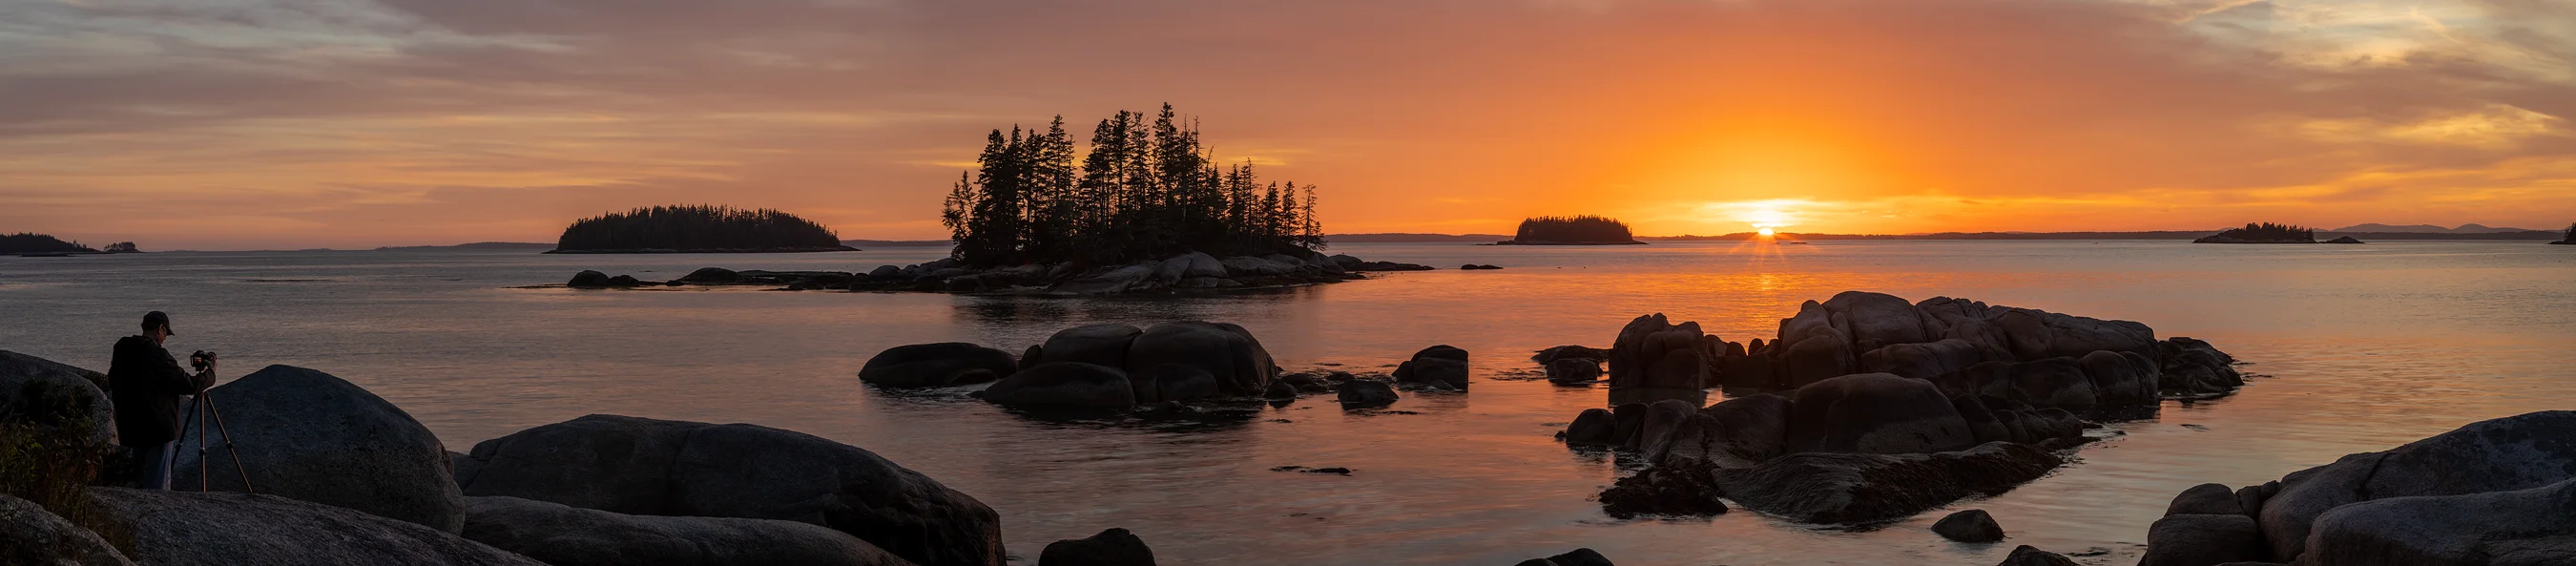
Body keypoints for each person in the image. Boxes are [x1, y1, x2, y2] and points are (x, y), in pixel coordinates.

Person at [109, 310, 217, 490]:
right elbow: (188, 384)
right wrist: (210, 373)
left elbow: (113, 380)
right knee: (158, 487)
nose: (165, 338)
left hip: (131, 427)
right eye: (166, 333)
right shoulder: (158, 355)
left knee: (141, 480)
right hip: (157, 431)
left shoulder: (122, 348)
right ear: (160, 329)